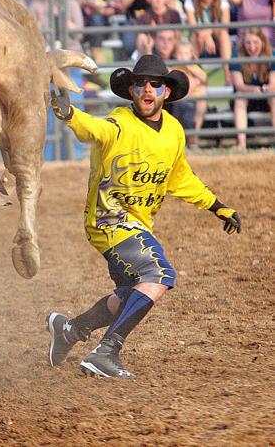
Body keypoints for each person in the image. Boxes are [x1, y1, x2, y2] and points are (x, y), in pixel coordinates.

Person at [46, 54, 241, 378]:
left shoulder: (174, 132)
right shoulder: (120, 123)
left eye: (155, 83)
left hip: (136, 225)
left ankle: (69, 329)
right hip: (109, 220)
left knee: (128, 296)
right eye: (140, 83)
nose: (147, 88)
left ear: (166, 91)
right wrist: (67, 113)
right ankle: (105, 353)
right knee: (158, 274)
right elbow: (91, 128)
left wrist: (217, 206)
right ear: (131, 91)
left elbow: (181, 177)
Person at [230, 27, 275, 151]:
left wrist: (265, 89)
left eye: (256, 42)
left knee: (273, 98)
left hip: (265, 96)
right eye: (248, 43)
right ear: (243, 44)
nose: (252, 47)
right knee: (239, 98)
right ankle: (242, 143)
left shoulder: (271, 54)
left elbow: (273, 84)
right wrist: (253, 90)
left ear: (263, 42)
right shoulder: (236, 55)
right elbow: (239, 85)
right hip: (247, 96)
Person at [184, 0, 232, 84]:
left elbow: (225, 23)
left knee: (224, 34)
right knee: (196, 37)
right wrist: (205, 36)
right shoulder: (190, 1)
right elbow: (193, 26)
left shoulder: (222, 0)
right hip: (199, 39)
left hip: (216, 39)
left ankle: (228, 75)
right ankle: (194, 73)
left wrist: (208, 32)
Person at [171, 39, 208, 147]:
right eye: (180, 54)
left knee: (192, 116)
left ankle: (193, 138)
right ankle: (180, 140)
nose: (183, 57)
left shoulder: (194, 67)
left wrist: (191, 69)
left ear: (191, 55)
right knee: (180, 117)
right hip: (181, 100)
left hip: (194, 99)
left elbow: (204, 78)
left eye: (186, 54)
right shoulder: (176, 69)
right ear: (175, 55)